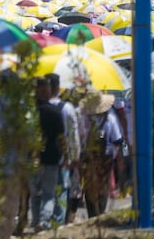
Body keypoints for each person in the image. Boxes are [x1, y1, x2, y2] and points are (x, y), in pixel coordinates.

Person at [79, 89, 123, 218]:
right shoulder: (110, 118)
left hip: (87, 156)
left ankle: (92, 213)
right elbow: (118, 140)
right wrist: (120, 157)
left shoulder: (83, 117)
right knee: (103, 185)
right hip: (106, 157)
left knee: (88, 184)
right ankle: (101, 213)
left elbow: (80, 137)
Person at [45, 73, 79, 226]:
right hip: (63, 156)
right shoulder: (67, 108)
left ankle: (43, 221)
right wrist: (75, 156)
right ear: (58, 87)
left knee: (45, 192)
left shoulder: (40, 107)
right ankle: (57, 222)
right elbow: (73, 134)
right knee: (62, 190)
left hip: (43, 157)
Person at [31, 77, 64, 231]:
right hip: (51, 157)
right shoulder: (55, 112)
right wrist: (66, 156)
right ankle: (43, 221)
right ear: (49, 91)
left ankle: (36, 219)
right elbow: (60, 138)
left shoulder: (30, 112)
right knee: (49, 193)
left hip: (33, 158)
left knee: (35, 192)